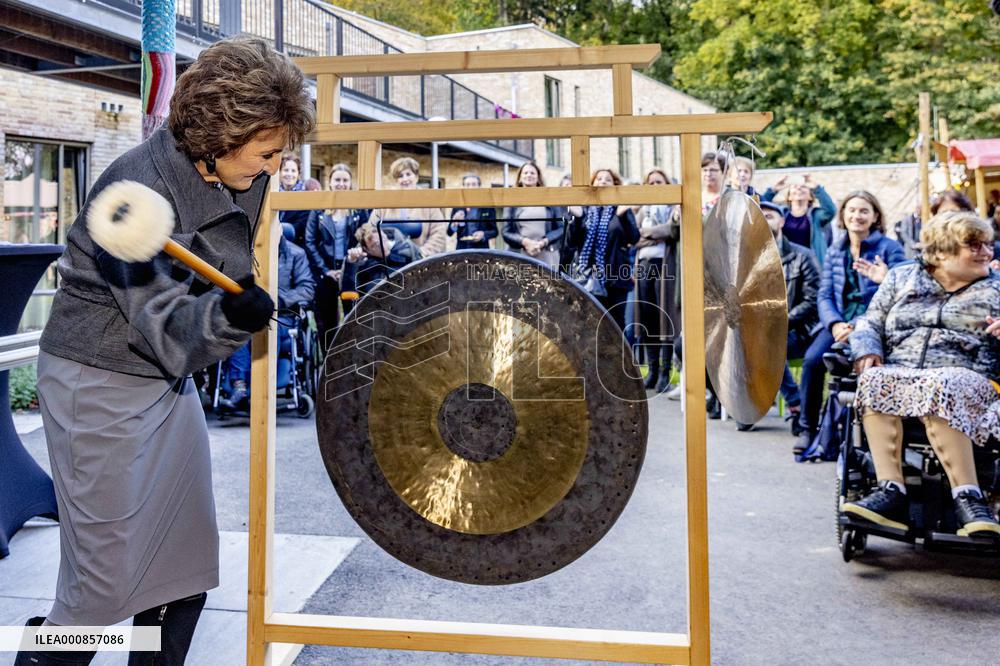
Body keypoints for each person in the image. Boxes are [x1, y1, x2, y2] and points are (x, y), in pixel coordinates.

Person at [16, 37, 313, 666]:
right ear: (220, 137)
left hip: (164, 389)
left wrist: (244, 293)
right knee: (97, 593)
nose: (272, 167)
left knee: (184, 570)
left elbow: (227, 266)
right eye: (266, 153)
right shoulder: (133, 189)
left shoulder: (244, 170)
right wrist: (234, 314)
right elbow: (171, 334)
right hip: (96, 383)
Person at [845, 211, 1000, 539]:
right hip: (903, 372)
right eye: (974, 245)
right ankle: (891, 491)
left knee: (943, 382)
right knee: (874, 378)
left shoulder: (996, 288)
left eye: (988, 244)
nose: (987, 252)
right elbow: (870, 321)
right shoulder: (902, 278)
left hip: (972, 378)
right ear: (942, 251)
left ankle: (969, 497)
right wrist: (867, 350)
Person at [794, 191, 908, 457]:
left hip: (871, 323)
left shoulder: (889, 248)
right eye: (852, 210)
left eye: (864, 211)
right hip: (839, 322)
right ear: (843, 215)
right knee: (812, 360)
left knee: (865, 366)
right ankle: (807, 428)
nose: (857, 216)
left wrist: (885, 279)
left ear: (875, 216)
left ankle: (862, 436)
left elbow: (906, 287)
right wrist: (834, 323)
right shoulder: (836, 248)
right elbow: (824, 294)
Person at [222, 231, 316, 409]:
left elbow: (307, 288)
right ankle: (240, 386)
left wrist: (282, 300)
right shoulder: (247, 254)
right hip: (251, 313)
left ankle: (265, 384)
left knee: (268, 328)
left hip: (282, 315)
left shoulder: (296, 254)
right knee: (238, 328)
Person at [761, 200, 820, 434]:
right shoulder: (748, 260)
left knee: (766, 344)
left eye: (770, 216)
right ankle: (752, 401)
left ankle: (796, 404)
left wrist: (781, 322)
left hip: (798, 331)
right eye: (760, 217)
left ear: (782, 221)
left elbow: (812, 300)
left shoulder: (802, 256)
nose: (764, 221)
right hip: (760, 334)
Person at [304, 164, 369, 350]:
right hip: (326, 271)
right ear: (330, 183)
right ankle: (328, 361)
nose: (341, 183)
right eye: (337, 180)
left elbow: (365, 237)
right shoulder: (319, 209)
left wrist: (350, 264)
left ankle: (351, 359)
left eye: (345, 180)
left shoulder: (358, 209)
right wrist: (326, 270)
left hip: (351, 270)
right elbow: (310, 241)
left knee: (353, 318)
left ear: (350, 183)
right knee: (327, 321)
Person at [566, 168, 640, 332]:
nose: (603, 182)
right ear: (592, 184)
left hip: (615, 277)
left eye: (608, 179)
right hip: (587, 277)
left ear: (615, 185)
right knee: (589, 323)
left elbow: (634, 238)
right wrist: (577, 219)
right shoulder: (583, 210)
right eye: (599, 179)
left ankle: (620, 358)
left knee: (616, 325)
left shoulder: (620, 209)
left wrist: (623, 216)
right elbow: (571, 242)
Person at [633, 168, 680, 393]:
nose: (654, 186)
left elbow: (672, 230)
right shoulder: (643, 208)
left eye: (658, 182)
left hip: (665, 265)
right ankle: (651, 371)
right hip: (643, 265)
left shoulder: (673, 207)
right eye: (650, 182)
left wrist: (647, 233)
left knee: (664, 317)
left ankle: (665, 371)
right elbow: (635, 236)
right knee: (648, 317)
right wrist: (653, 234)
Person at [371, 157, 446, 256]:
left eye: (408, 174)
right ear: (396, 180)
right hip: (390, 259)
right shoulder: (386, 200)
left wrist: (421, 254)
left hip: (421, 259)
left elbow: (439, 233)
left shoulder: (428, 200)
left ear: (416, 177)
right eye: (400, 176)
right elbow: (371, 227)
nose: (405, 179)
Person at [761, 174, 837, 266]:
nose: (799, 188)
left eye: (803, 187)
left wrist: (817, 188)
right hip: (786, 262)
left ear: (810, 197)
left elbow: (831, 210)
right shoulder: (781, 214)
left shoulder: (816, 215)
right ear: (789, 197)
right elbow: (759, 209)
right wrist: (773, 191)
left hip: (811, 263)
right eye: (795, 187)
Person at [501, 160, 564, 269]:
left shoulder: (550, 198)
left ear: (538, 177)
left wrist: (543, 242)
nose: (529, 175)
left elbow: (561, 229)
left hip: (547, 253)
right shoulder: (511, 199)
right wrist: (525, 242)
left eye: (532, 173)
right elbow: (506, 232)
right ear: (520, 178)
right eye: (525, 173)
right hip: (520, 254)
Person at [343, 221, 422, 296]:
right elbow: (350, 290)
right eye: (375, 245)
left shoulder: (407, 248)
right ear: (367, 249)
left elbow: (421, 273)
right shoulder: (363, 262)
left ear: (385, 234)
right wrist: (351, 263)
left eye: (383, 239)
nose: (382, 247)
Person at [448, 173, 498, 250]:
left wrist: (484, 234)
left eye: (474, 184)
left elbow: (495, 231)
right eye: (467, 185)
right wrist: (455, 223)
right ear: (463, 187)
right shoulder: (457, 207)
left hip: (482, 250)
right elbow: (449, 232)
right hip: (462, 250)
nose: (470, 187)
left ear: (479, 187)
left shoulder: (487, 206)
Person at [277, 154, 313, 246]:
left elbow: (302, 226)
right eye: (286, 170)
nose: (289, 174)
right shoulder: (274, 193)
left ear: (298, 174)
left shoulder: (305, 196)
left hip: (295, 244)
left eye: (293, 171)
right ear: (280, 172)